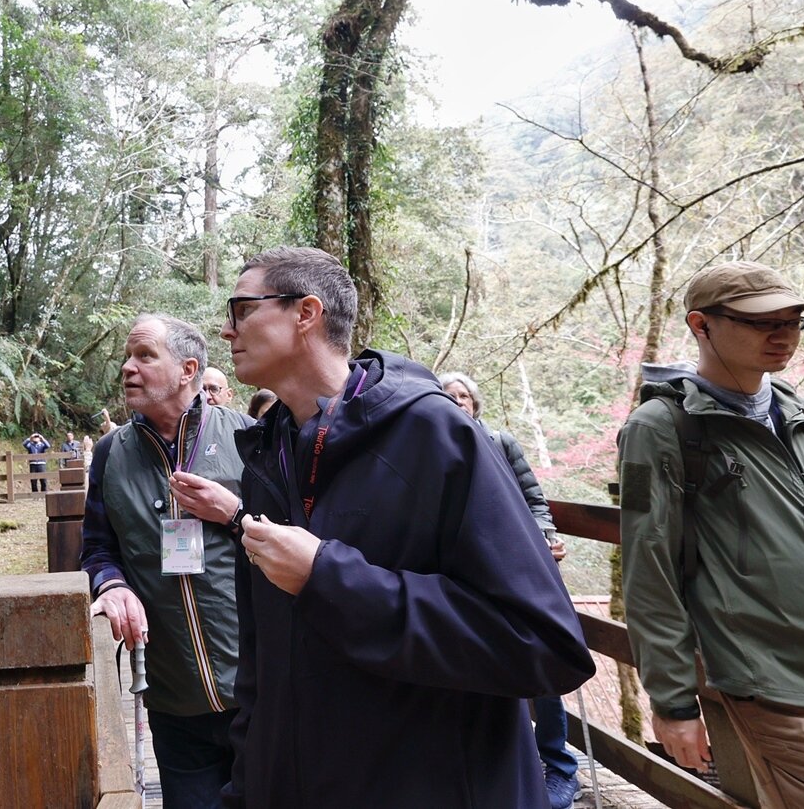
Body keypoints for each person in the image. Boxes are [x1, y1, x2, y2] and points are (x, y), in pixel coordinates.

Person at [216, 246, 593, 808]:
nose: (227, 329)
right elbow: (262, 665)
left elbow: (543, 645)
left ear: (305, 313)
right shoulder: (268, 455)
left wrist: (329, 577)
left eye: (242, 309)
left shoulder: (434, 435)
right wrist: (246, 787)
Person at [619, 260, 804, 808]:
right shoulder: (664, 429)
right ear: (702, 325)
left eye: (794, 321)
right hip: (785, 693)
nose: (783, 335)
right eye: (761, 322)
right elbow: (651, 568)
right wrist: (673, 703)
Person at [81, 314, 254, 809]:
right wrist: (110, 585)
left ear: (187, 369)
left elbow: (291, 540)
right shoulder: (112, 454)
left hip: (257, 693)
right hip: (173, 697)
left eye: (144, 356)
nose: (127, 367)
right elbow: (97, 547)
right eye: (127, 356)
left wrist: (233, 512)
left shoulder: (248, 437)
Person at [439, 370, 579, 809]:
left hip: (521, 571)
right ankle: (507, 768)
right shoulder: (434, 446)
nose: (457, 401)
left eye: (464, 395)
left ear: (475, 403)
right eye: (448, 395)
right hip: (472, 578)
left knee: (542, 667)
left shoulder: (499, 442)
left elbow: (536, 501)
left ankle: (559, 767)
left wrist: (541, 536)